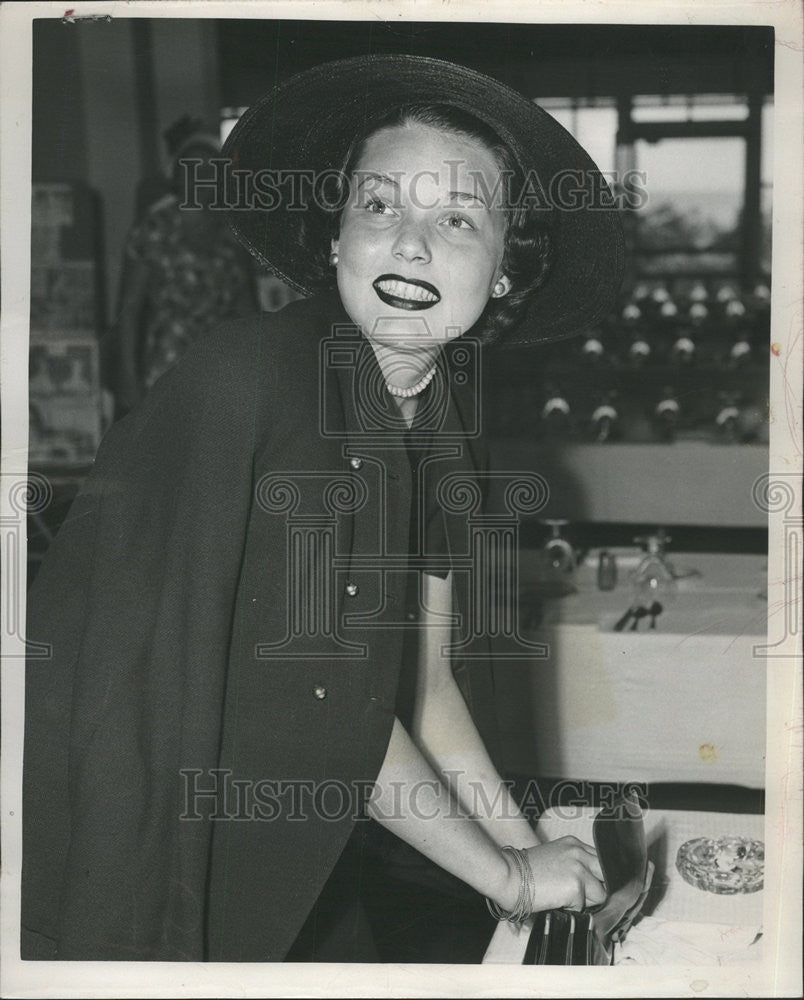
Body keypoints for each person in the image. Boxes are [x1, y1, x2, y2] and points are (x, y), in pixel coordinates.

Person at [22, 55, 625, 963]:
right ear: (337, 238)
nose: (411, 243)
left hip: (285, 833)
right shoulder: (255, 379)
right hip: (138, 837)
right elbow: (327, 707)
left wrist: (521, 842)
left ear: (505, 271)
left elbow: (418, 685)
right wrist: (506, 878)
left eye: (459, 219)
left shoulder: (439, 422)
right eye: (380, 206)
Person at [112, 117, 257, 415]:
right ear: (176, 177)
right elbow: (130, 308)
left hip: (223, 370)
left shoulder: (232, 237)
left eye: (208, 170)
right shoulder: (153, 231)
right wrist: (127, 375)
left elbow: (247, 311)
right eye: (191, 169)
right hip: (167, 366)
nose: (199, 177)